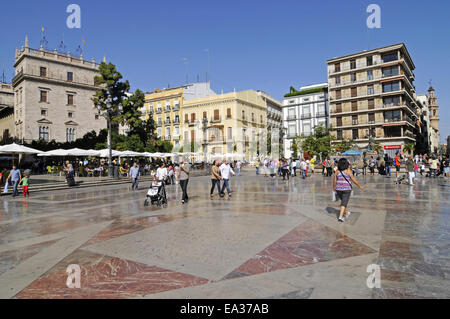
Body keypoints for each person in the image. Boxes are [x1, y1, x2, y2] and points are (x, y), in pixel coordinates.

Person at [333, 158, 363, 223]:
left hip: (338, 189)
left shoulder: (337, 171)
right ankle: (340, 217)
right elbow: (353, 180)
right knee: (343, 203)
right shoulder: (348, 171)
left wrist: (334, 189)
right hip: (347, 189)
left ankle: (346, 213)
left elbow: (334, 181)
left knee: (344, 201)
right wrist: (359, 185)